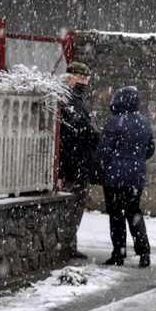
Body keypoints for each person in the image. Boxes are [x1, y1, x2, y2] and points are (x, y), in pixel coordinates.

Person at [93, 86, 156, 268]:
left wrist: (97, 173)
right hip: (136, 178)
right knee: (134, 212)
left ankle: (119, 254)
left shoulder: (114, 122)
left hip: (114, 178)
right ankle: (144, 254)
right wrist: (137, 162)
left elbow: (103, 152)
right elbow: (150, 148)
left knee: (116, 215)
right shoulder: (144, 122)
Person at [59, 61, 101, 260]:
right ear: (69, 78)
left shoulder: (81, 100)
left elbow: (90, 127)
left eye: (86, 79)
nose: (84, 82)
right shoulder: (66, 99)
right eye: (80, 78)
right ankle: (65, 245)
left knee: (77, 206)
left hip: (82, 163)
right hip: (72, 163)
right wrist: (96, 134)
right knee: (71, 206)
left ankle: (70, 244)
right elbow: (82, 127)